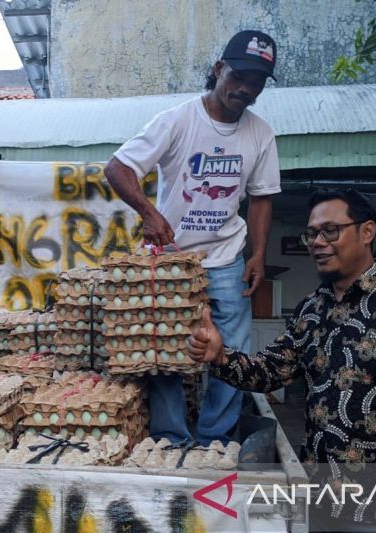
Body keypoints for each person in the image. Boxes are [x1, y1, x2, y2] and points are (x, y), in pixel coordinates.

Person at [189, 189, 376, 531]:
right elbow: (270, 371)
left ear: (366, 232)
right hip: (320, 501)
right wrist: (219, 355)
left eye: (330, 231)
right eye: (312, 234)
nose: (318, 242)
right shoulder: (312, 308)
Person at [104, 30, 281, 446]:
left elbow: (261, 199)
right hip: (173, 260)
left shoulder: (260, 133)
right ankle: (170, 439)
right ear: (219, 69)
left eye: (256, 83)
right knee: (167, 349)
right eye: (239, 76)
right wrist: (149, 213)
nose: (245, 89)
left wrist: (258, 255)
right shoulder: (177, 120)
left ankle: (215, 440)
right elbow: (118, 169)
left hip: (228, 258)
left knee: (233, 350)